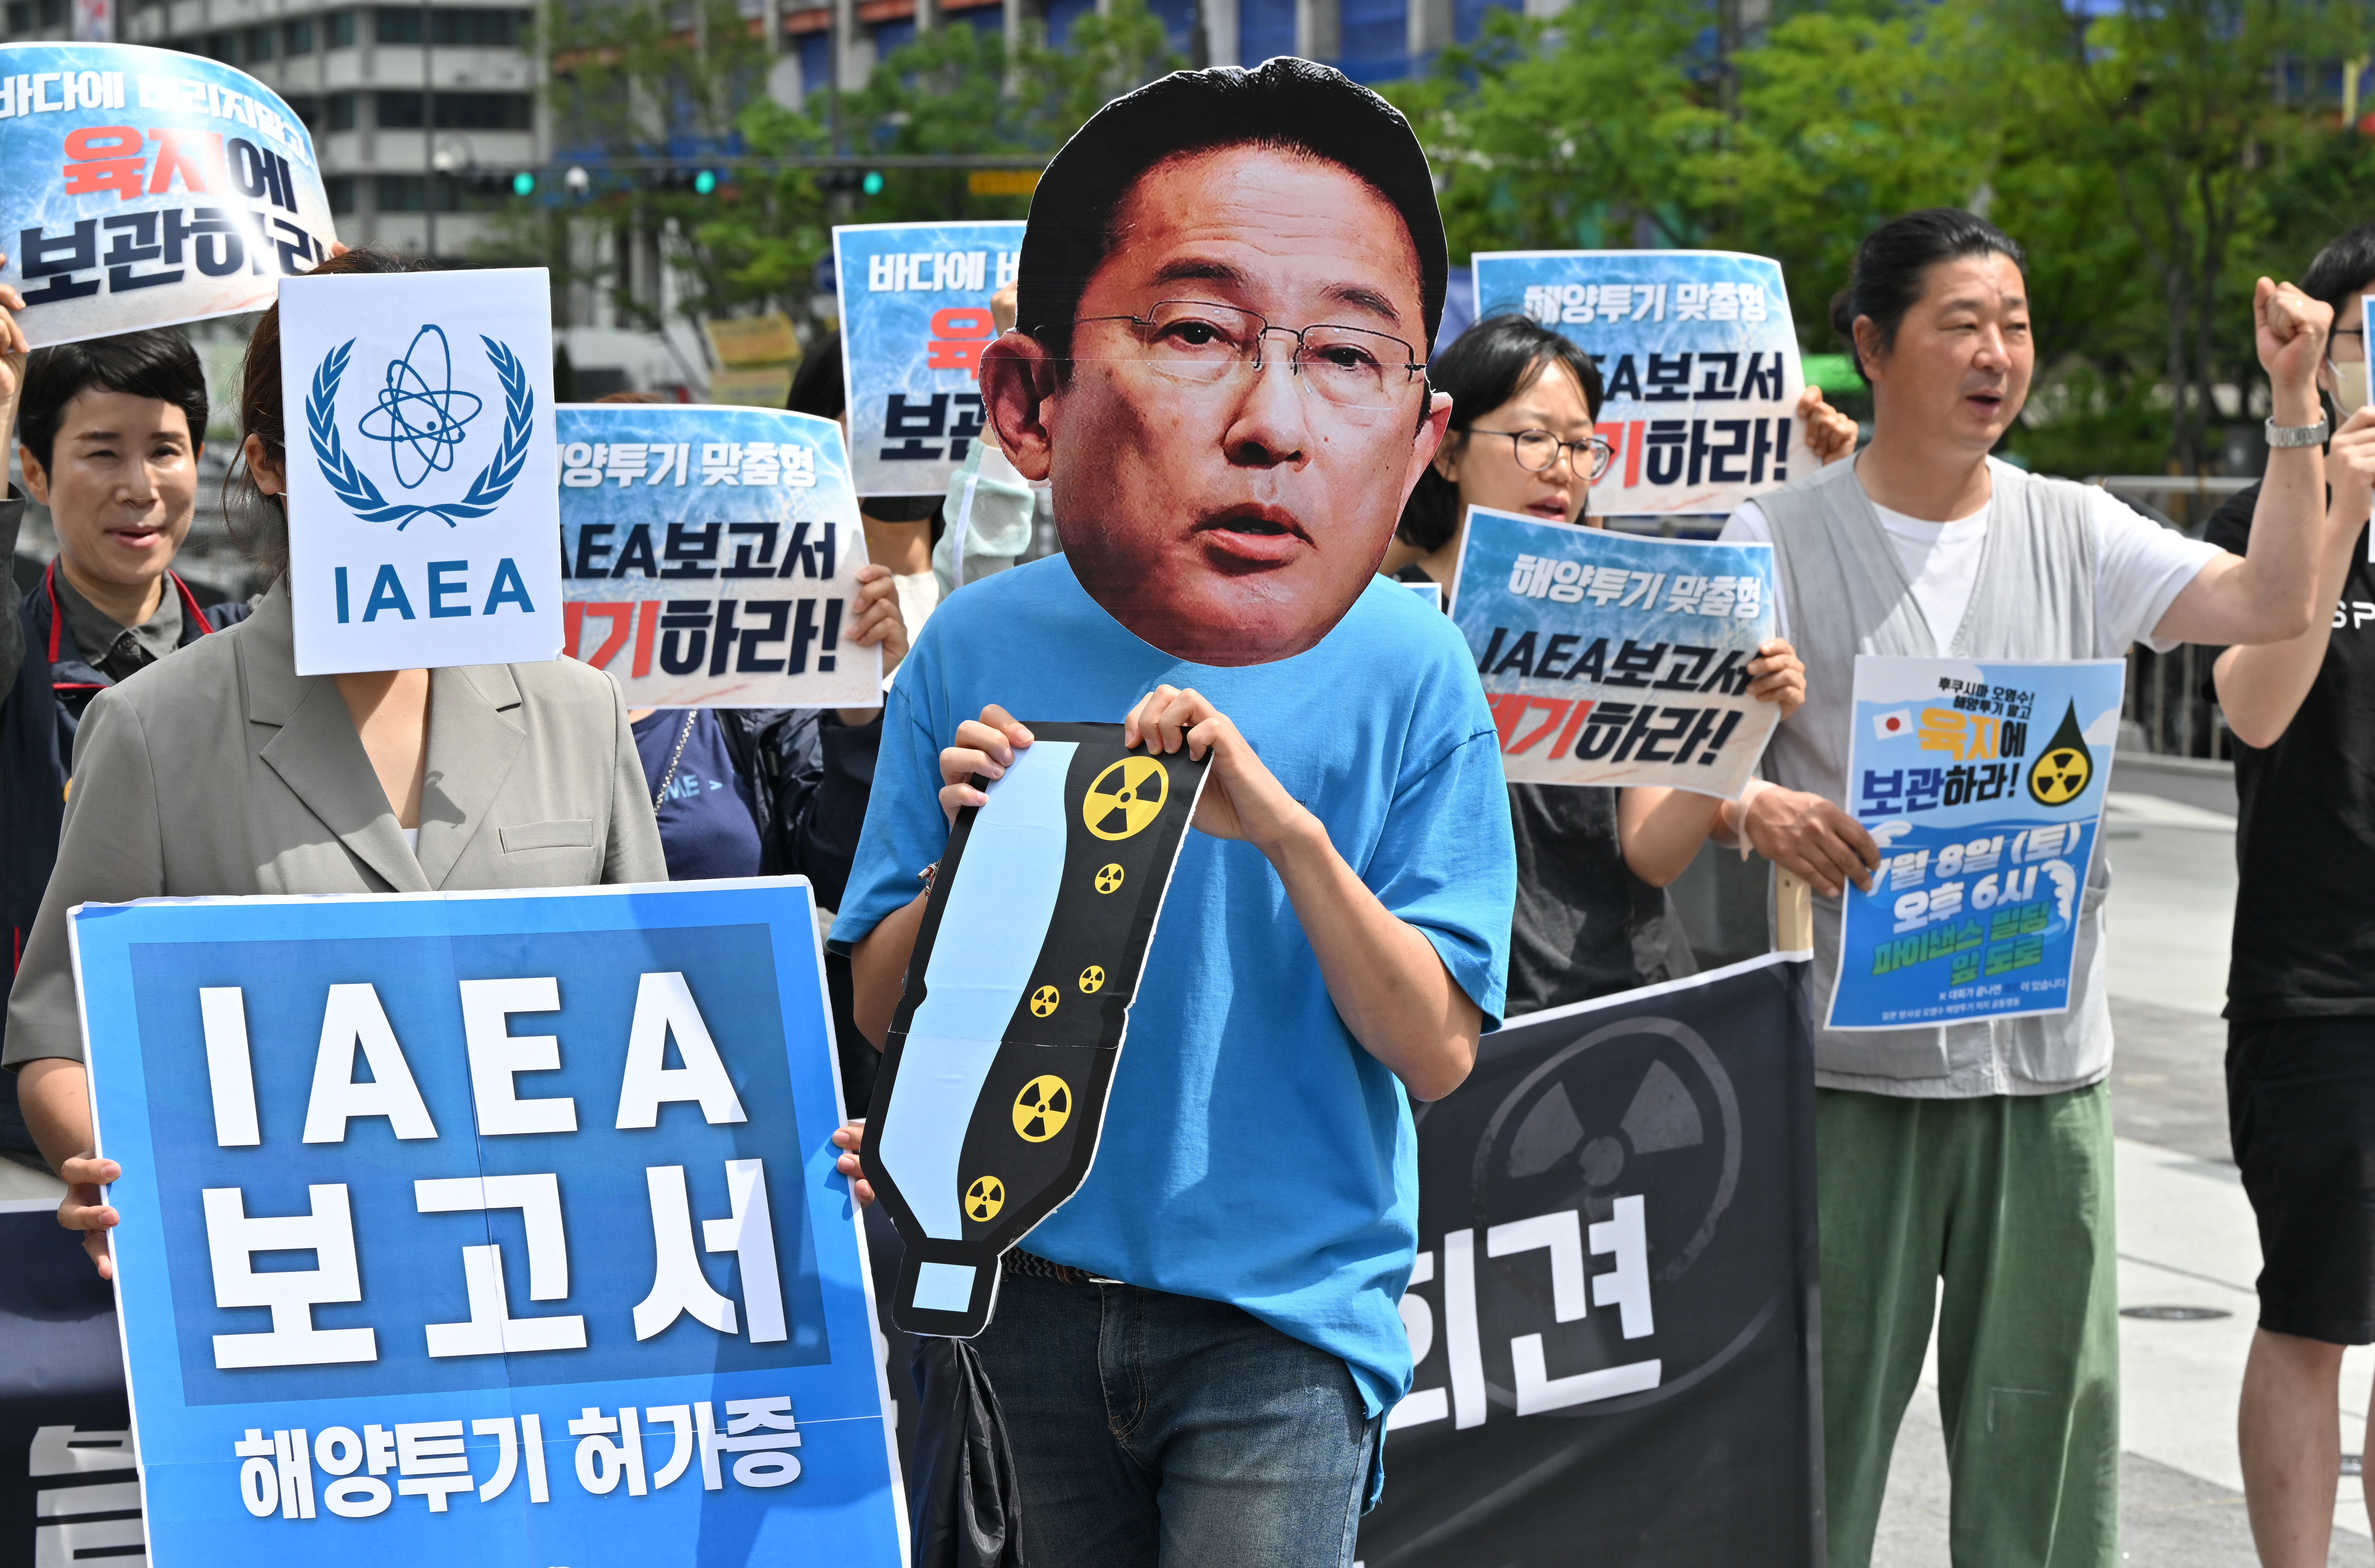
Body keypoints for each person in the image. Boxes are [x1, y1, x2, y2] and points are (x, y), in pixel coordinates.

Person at [831, 59, 1518, 1566]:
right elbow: (882, 1007)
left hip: (1283, 1325)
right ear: (1030, 399)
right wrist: (972, 862)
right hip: (1020, 1299)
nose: (1272, 421)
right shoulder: (972, 646)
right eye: (1196, 332)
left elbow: (1437, 1050)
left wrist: (1283, 832)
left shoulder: (1413, 663)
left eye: (1348, 356)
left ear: (1415, 444)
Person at [1722, 207, 2335, 1568]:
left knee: (2046, 1447)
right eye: (1961, 323)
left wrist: (2295, 408)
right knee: (1813, 1447)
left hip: (2045, 1074)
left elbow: (2275, 603)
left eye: (2015, 325)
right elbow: (1683, 773)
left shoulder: (2081, 528)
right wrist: (1750, 805)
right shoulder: (1764, 537)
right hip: (1844, 1083)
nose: (1998, 353)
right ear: (1873, 346)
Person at [5, 247, 668, 1276]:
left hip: (558, 1288)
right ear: (269, 462)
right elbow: (60, 1032)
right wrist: (103, 1154)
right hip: (285, 1292)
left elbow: (661, 1022)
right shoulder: (152, 725)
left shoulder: (579, 708)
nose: (421, 471)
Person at [1385, 311, 1850, 1010]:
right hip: (1463, 1023)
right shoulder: (1387, 617)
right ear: (1446, 453)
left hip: (1631, 1011)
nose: (1562, 467)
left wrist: (1732, 723)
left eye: (1581, 445)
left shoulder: (1631, 612)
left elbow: (1650, 852)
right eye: (1532, 437)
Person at [2201, 223, 2375, 1568]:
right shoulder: (2271, 516)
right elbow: (2256, 714)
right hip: (2319, 987)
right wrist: (2341, 509)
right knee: (2313, 1312)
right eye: (2364, 336)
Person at [3, 321, 253, 1166]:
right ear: (34, 470)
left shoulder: (251, 650)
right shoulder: (16, 662)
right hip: (36, 1155)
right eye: (102, 452)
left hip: (241, 1121)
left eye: (167, 451)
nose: (140, 488)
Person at [786, 333, 946, 635]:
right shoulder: (788, 603)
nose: (903, 437)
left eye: (927, 415)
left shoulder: (998, 580)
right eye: (872, 421)